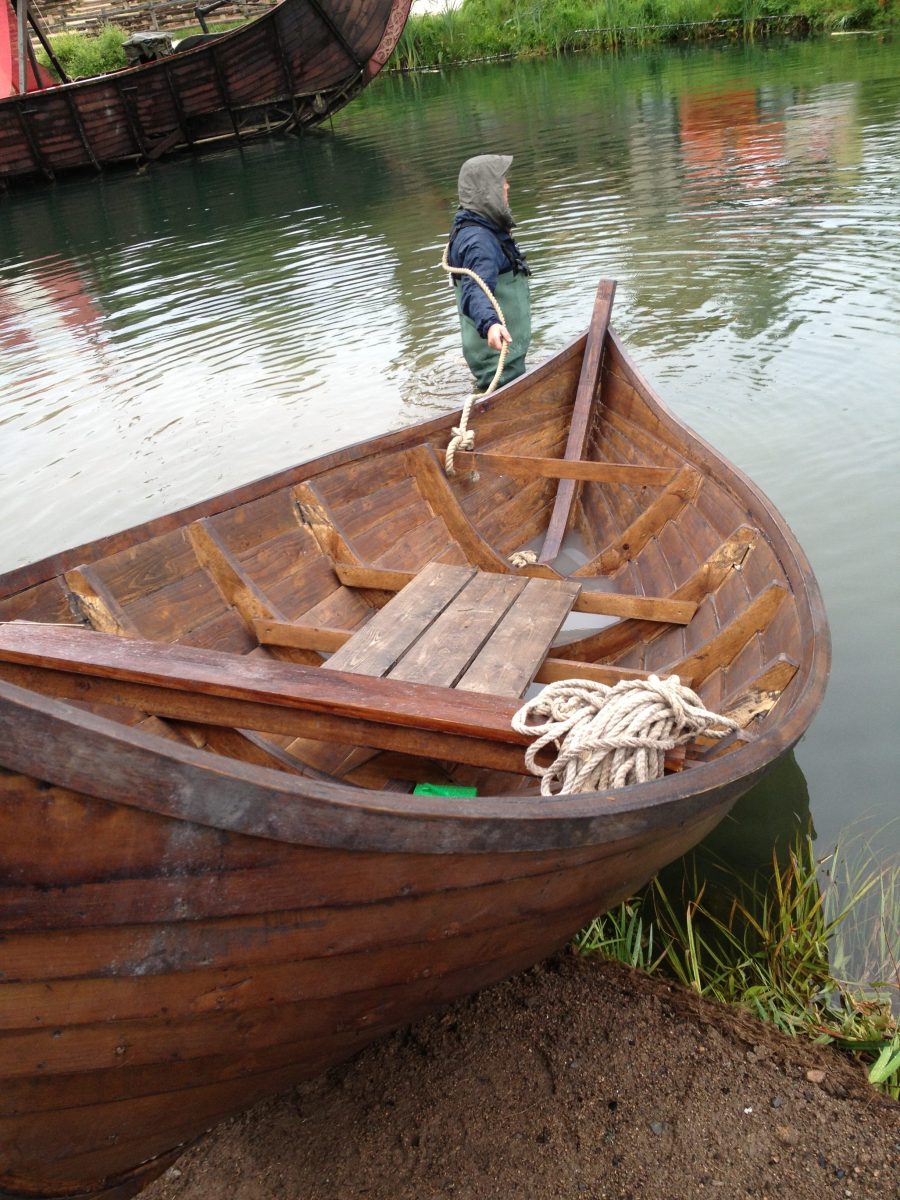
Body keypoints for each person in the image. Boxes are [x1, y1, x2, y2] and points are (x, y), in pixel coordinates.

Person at [446, 154, 531, 390]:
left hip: (503, 364)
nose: (507, 186)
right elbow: (476, 289)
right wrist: (490, 324)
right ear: (486, 189)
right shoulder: (479, 241)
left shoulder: (474, 226)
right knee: (504, 391)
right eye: (501, 181)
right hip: (499, 366)